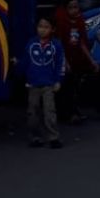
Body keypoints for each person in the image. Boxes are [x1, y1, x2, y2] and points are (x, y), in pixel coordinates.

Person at [22, 16, 64, 148]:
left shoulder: (56, 44)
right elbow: (26, 62)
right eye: (40, 26)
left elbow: (60, 63)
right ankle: (35, 137)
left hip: (49, 83)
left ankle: (53, 137)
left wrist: (58, 80)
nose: (42, 30)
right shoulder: (31, 43)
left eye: (46, 27)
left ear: (52, 29)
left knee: (49, 111)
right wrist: (23, 75)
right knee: (32, 111)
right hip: (33, 83)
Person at [55, 0, 98, 123]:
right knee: (65, 89)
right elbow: (59, 44)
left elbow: (82, 43)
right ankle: (66, 115)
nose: (75, 10)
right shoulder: (61, 21)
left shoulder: (79, 21)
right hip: (64, 60)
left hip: (76, 60)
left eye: (76, 7)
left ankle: (73, 112)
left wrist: (91, 60)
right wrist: (65, 62)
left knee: (74, 88)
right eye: (71, 7)